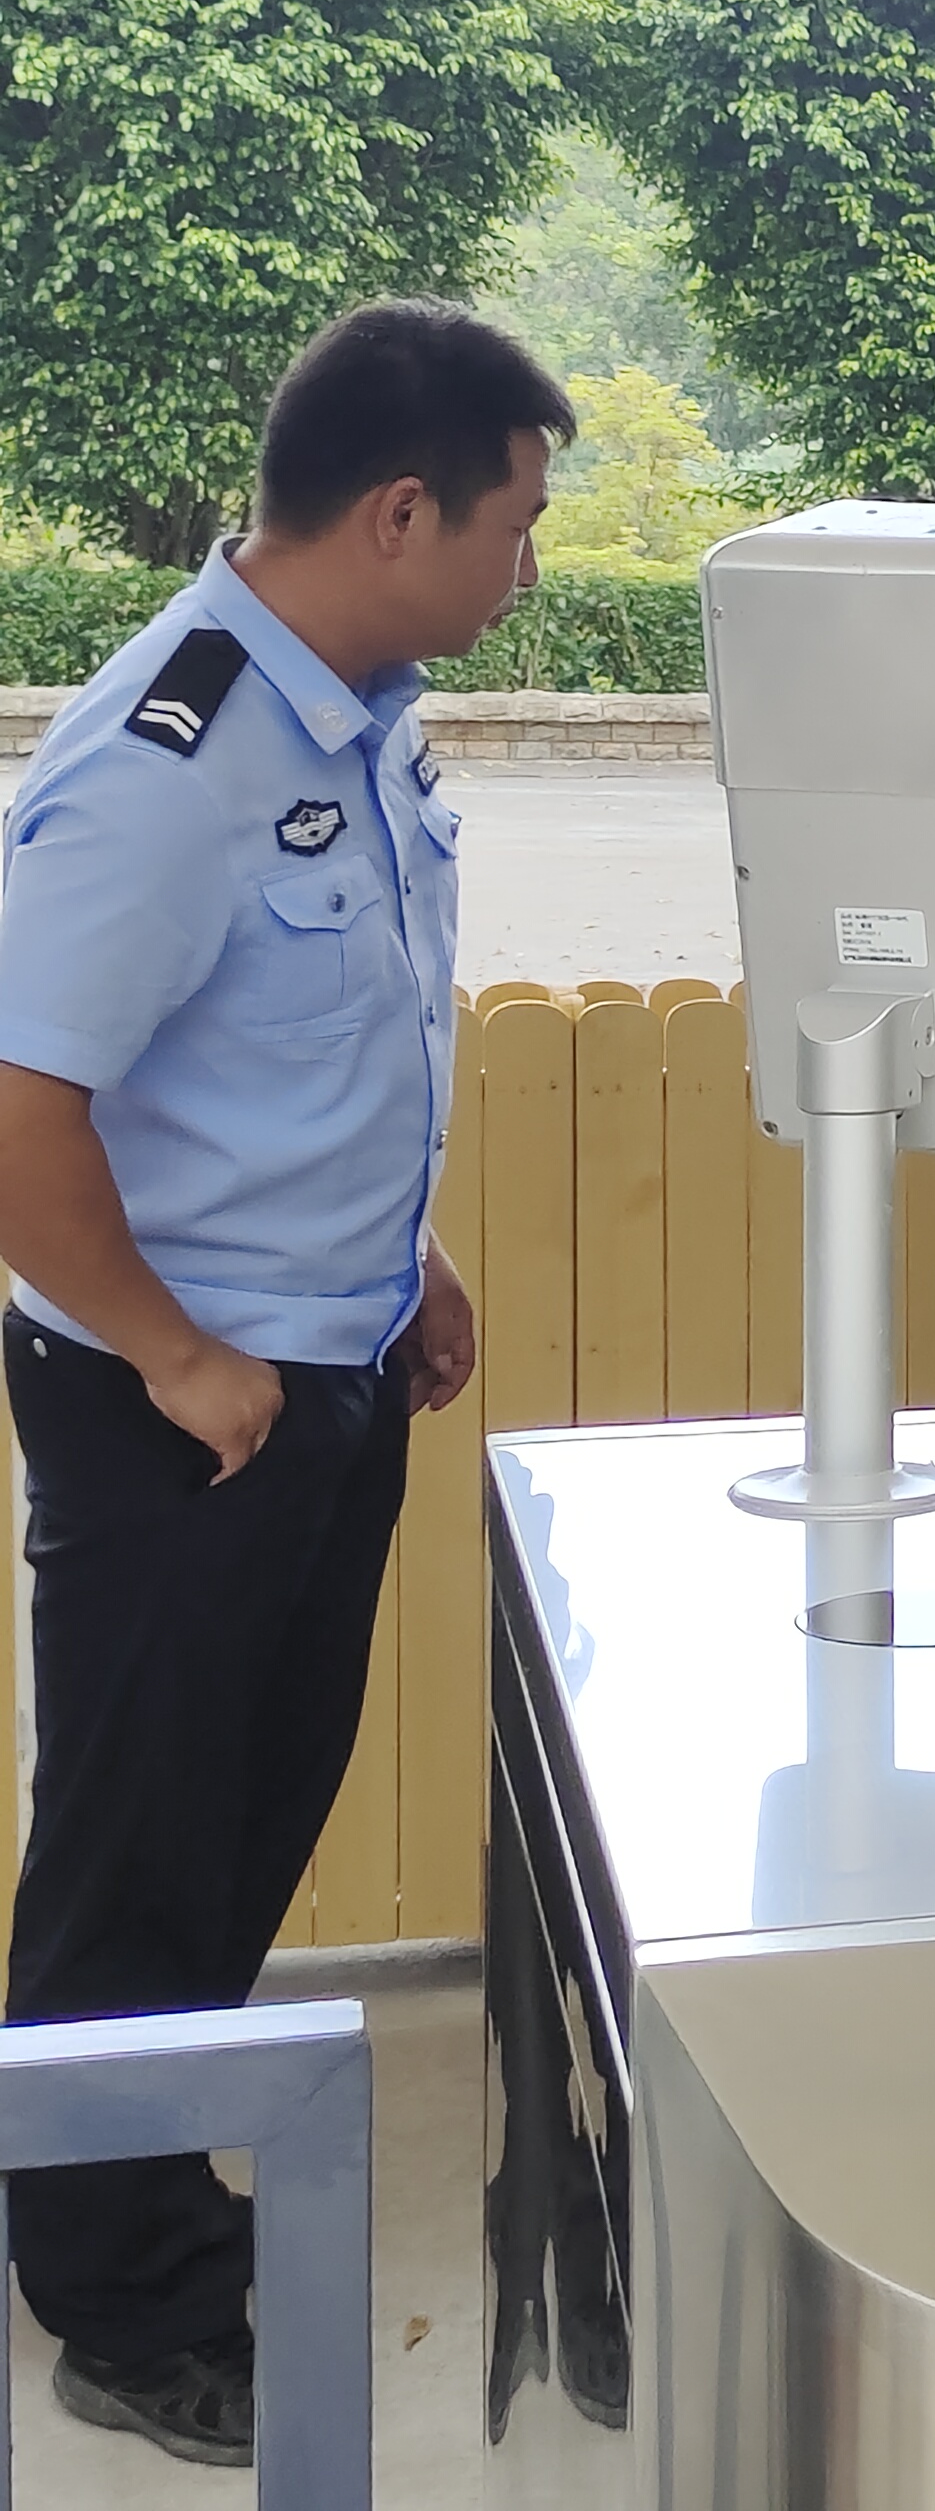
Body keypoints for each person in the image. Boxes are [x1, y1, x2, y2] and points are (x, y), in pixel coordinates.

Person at [0, 300, 566, 2467]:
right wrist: (176, 1354)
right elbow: (22, 1113)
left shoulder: (356, 718)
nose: (528, 563)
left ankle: (132, 2174)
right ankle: (122, 2299)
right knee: (142, 1852)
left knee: (237, 1824)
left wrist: (401, 1260)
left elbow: (295, 1055)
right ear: (401, 511)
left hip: (313, 1371)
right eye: (515, 522)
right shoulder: (176, 755)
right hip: (185, 1415)